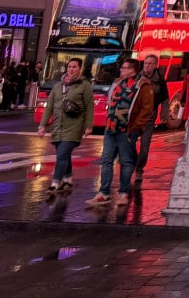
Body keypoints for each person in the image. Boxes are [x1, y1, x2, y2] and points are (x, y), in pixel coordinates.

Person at [87, 58, 154, 208]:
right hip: (111, 128)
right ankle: (104, 193)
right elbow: (111, 100)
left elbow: (146, 109)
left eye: (124, 68)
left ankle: (123, 192)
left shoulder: (143, 85)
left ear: (132, 70)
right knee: (106, 160)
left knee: (126, 161)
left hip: (127, 130)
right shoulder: (118, 82)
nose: (121, 70)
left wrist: (136, 127)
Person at [37, 57, 95, 197]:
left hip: (74, 126)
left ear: (79, 69)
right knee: (63, 154)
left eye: (75, 67)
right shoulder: (58, 86)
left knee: (62, 154)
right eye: (69, 67)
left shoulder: (84, 86)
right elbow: (49, 107)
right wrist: (42, 125)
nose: (71, 69)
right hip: (57, 126)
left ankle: (55, 183)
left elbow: (89, 106)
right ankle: (68, 178)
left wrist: (88, 126)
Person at [133, 54, 170, 185]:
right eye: (145, 63)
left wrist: (164, 114)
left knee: (144, 146)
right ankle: (132, 163)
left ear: (155, 66)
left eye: (150, 64)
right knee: (129, 143)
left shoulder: (160, 81)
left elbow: (165, 98)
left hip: (149, 117)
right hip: (135, 117)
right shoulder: (137, 77)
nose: (147, 65)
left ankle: (139, 169)